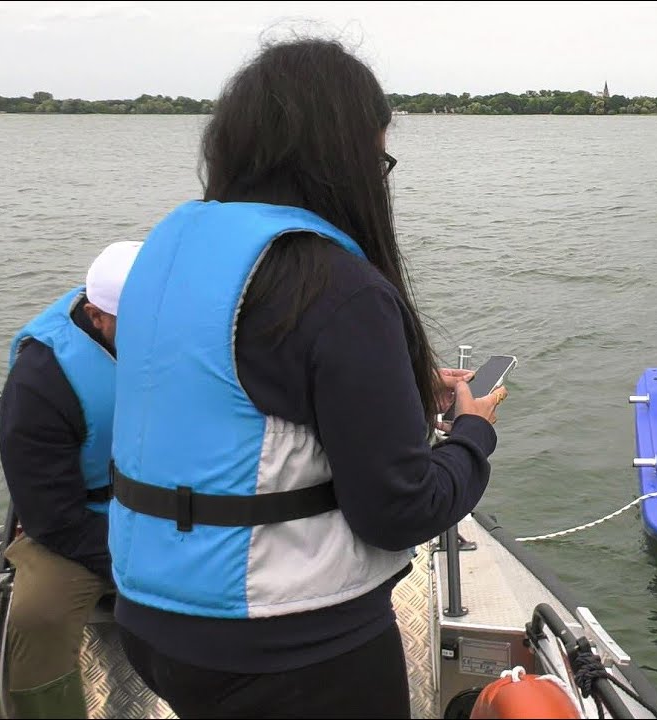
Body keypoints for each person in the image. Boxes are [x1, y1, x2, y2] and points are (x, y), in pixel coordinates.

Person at [106, 37, 506, 719]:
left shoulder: (169, 250)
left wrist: (394, 383)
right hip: (289, 651)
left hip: (149, 620)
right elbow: (399, 510)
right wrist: (473, 434)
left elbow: (240, 390)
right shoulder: (337, 287)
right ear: (342, 160)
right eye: (378, 160)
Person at [0, 240, 143, 719]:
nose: (156, 335)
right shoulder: (41, 380)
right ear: (97, 315)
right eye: (137, 324)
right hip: (82, 522)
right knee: (37, 618)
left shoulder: (174, 334)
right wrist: (136, 562)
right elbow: (50, 517)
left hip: (168, 504)